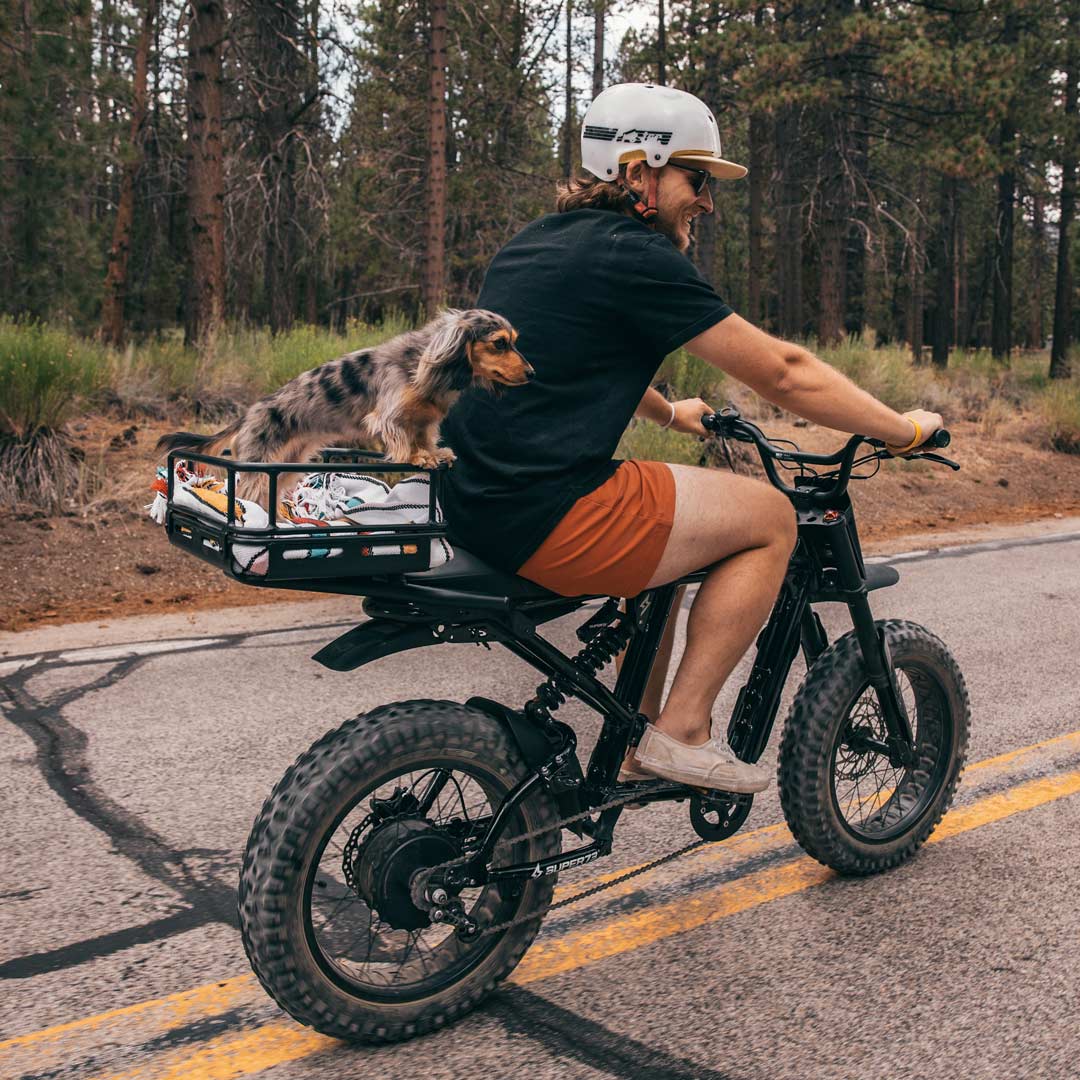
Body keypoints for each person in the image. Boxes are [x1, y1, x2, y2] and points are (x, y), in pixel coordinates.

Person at [439, 82, 942, 794]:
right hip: (543, 511)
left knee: (669, 527)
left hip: (477, 497)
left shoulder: (540, 243)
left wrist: (672, 415)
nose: (707, 200)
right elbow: (784, 372)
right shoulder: (635, 255)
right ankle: (679, 732)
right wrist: (901, 430)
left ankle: (625, 741)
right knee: (770, 517)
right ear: (637, 171)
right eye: (696, 179)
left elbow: (563, 356)